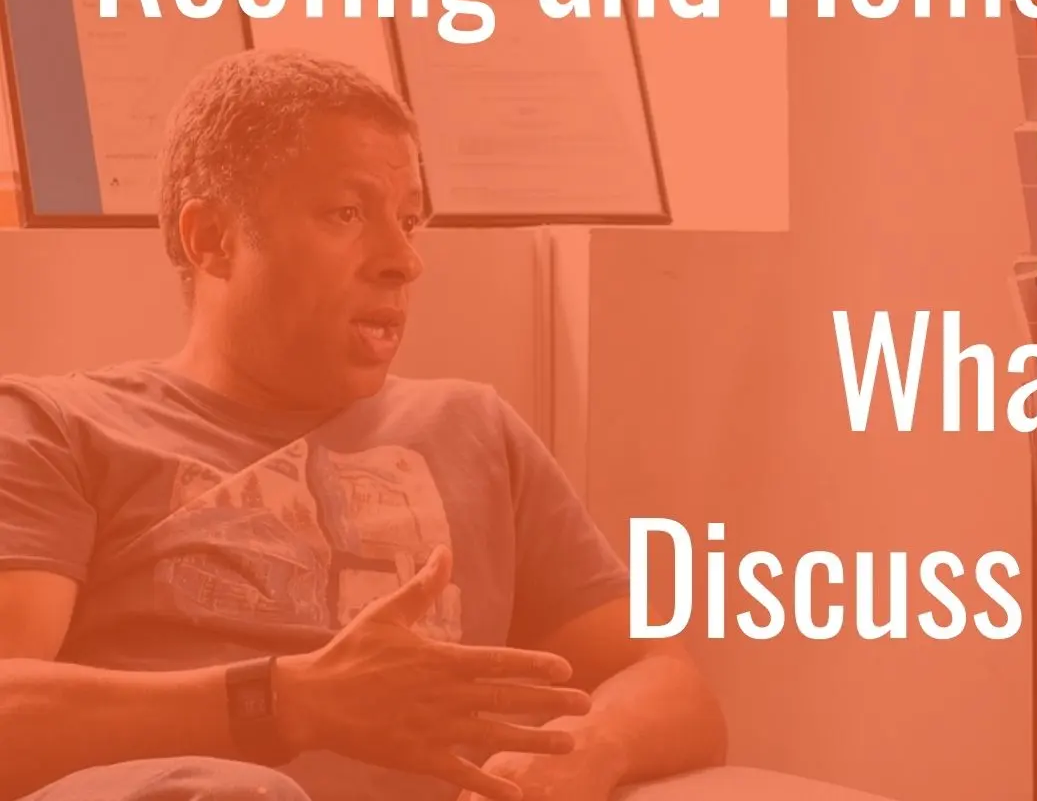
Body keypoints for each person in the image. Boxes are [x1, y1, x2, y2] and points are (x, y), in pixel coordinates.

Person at [0, 50, 727, 801]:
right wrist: (284, 701)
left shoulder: (470, 427)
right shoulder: (58, 428)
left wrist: (585, 752)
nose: (403, 260)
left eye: (409, 221)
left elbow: (667, 681)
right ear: (212, 238)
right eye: (347, 215)